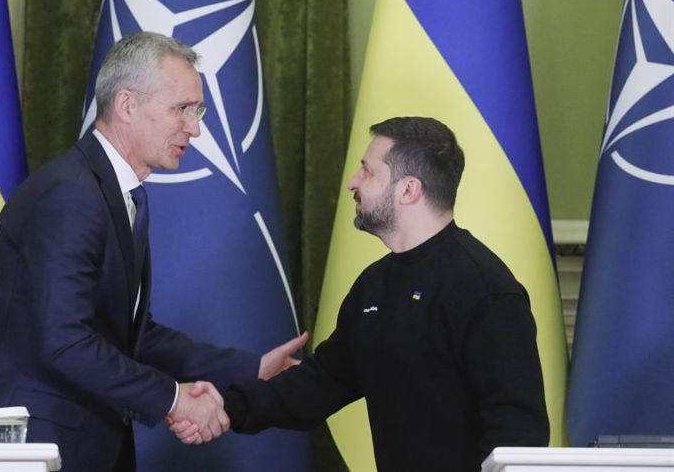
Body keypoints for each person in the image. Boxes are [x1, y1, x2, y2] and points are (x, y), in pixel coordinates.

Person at [0, 31, 306, 472]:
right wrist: (174, 400)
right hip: (28, 442)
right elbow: (64, 342)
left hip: (81, 442)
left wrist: (247, 369)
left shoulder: (122, 194)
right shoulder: (70, 196)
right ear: (127, 105)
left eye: (198, 111)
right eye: (182, 109)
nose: (194, 128)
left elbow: (134, 334)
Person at [175, 116, 550, 471]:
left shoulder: (484, 288)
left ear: (408, 189)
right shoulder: (374, 284)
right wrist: (225, 405)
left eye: (368, 170)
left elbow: (518, 432)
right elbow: (321, 382)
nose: (353, 182)